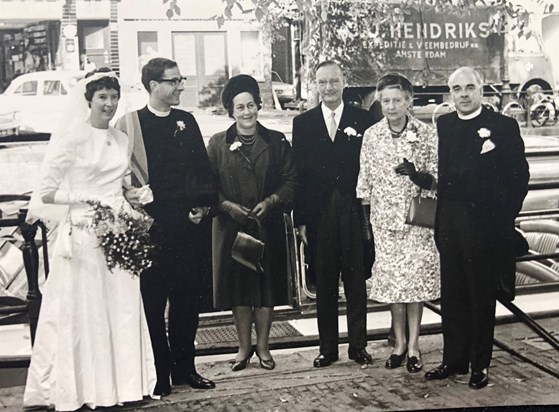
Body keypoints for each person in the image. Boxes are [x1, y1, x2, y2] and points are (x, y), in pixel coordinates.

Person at [23, 69, 156, 410]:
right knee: (89, 310)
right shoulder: (72, 139)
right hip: (84, 231)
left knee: (121, 307)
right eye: (102, 98)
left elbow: (121, 184)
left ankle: (124, 386)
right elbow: (46, 194)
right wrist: (89, 200)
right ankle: (84, 388)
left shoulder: (121, 139)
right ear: (88, 100)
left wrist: (134, 196)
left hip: (119, 229)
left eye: (114, 97)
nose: (109, 104)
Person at [116, 58, 217, 396]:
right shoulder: (129, 125)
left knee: (187, 302)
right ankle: (157, 373)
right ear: (152, 85)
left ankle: (185, 369)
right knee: (152, 306)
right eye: (172, 82)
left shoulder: (186, 121)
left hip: (186, 229)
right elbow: (118, 178)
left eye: (180, 80)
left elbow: (203, 171)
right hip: (150, 231)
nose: (179, 87)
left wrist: (202, 207)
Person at [425, 67, 529, 389]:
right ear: (450, 93)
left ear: (481, 90)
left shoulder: (503, 126)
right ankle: (453, 360)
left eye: (470, 87)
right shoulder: (443, 125)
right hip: (450, 223)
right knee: (452, 294)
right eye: (457, 89)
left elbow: (519, 177)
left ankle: (479, 365)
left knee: (480, 295)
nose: (464, 94)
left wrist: (501, 218)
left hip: (485, 226)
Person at [207, 74, 297, 371]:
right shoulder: (218, 143)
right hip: (232, 228)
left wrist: (271, 202)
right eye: (240, 107)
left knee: (266, 287)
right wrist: (228, 206)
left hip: (266, 226)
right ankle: (244, 348)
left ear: (258, 106)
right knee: (239, 288)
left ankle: (264, 347)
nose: (247, 112)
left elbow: (291, 180)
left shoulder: (276, 141)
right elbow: (208, 186)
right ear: (230, 112)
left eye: (251, 105)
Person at [292, 60, 376, 368]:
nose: (328, 87)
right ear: (316, 84)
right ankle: (327, 348)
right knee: (324, 281)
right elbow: (298, 174)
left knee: (355, 278)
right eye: (323, 82)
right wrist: (300, 218)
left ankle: (358, 346)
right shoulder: (303, 123)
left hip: (352, 207)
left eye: (334, 81)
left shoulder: (363, 119)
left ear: (344, 83)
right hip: (319, 212)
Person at [356, 73, 440, 373]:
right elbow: (364, 183)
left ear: (409, 101)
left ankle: (415, 345)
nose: (391, 106)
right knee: (394, 285)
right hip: (386, 222)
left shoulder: (426, 133)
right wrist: (367, 224)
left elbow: (436, 179)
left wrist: (417, 174)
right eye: (386, 100)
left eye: (397, 100)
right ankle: (399, 343)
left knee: (414, 283)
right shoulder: (371, 135)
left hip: (416, 221)